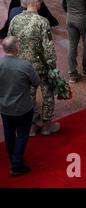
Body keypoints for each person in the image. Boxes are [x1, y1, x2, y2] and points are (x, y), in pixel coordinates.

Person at [8, 0, 61, 136]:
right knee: (47, 94)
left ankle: (31, 126)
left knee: (28, 96)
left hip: (22, 66)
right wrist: (52, 68)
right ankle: (46, 126)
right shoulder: (42, 22)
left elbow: (10, 43)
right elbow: (48, 47)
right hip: (41, 66)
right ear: (37, 3)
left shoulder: (15, 20)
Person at [0, 36, 40, 176]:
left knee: (9, 133)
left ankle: (12, 156)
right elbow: (36, 82)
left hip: (4, 107)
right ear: (17, 48)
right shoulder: (24, 65)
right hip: (23, 107)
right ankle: (16, 164)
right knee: (23, 134)